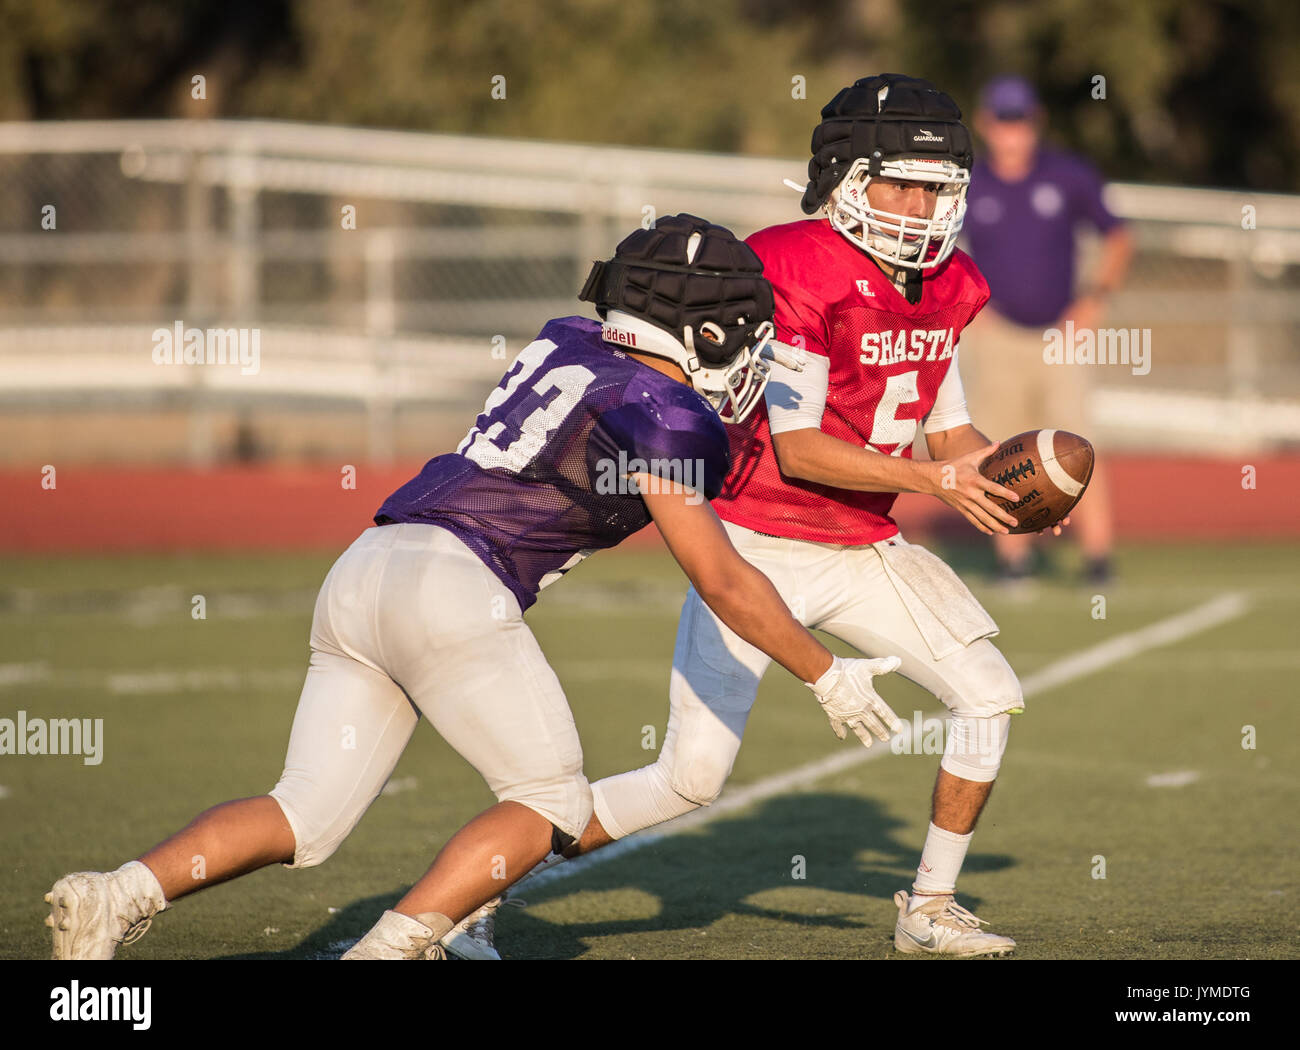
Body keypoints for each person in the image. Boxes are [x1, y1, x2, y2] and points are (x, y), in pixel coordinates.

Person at [44, 214, 907, 961]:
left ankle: (115, 895)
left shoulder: (569, 339)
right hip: (457, 585)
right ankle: (393, 945)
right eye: (741, 327)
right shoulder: (668, 412)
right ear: (704, 332)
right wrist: (824, 673)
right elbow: (718, 574)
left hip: (368, 566)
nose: (754, 346)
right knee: (551, 802)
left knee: (301, 813)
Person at [452, 74, 1051, 960]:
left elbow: (948, 426)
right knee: (688, 778)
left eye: (937, 187)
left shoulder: (950, 280)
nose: (923, 205)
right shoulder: (796, 266)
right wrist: (936, 482)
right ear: (848, 179)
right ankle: (472, 892)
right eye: (902, 182)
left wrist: (1007, 480)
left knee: (989, 696)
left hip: (858, 543)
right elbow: (800, 448)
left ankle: (928, 908)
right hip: (755, 539)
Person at [962, 74, 1135, 586]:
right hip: (997, 338)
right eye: (1002, 120)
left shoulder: (1068, 175)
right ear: (986, 124)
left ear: (1035, 122)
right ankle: (1014, 562)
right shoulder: (972, 183)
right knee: (998, 450)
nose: (1012, 131)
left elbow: (1118, 235)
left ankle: (1098, 560)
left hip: (1062, 335)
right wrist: (970, 310)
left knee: (1077, 447)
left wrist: (1095, 298)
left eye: (1020, 120)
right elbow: (939, 250)